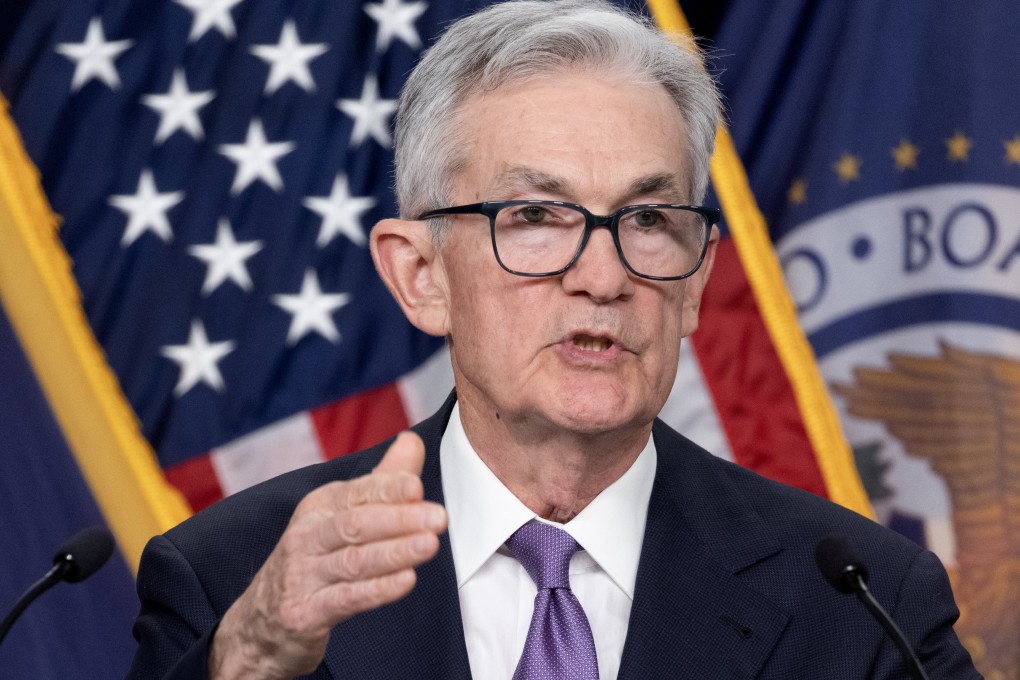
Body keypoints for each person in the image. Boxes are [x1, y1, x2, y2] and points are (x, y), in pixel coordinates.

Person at [128, 1, 981, 678]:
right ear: (421, 274)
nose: (603, 276)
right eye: (536, 216)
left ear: (694, 277)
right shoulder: (234, 583)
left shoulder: (863, 607)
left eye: (648, 219)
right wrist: (247, 665)